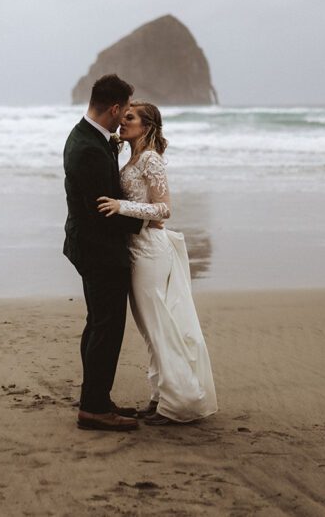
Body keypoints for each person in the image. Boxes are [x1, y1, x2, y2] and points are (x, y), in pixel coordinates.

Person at [97, 102, 218, 425]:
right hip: (136, 246)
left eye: (130, 118)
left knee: (158, 325)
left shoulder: (150, 159)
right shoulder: (132, 158)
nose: (123, 122)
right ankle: (160, 395)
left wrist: (120, 206)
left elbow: (164, 209)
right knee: (151, 329)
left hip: (149, 250)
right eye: (123, 118)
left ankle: (180, 400)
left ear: (147, 126)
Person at [62, 74, 145, 431]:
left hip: (89, 244)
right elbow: (102, 210)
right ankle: (94, 407)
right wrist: (143, 220)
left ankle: (96, 398)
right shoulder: (88, 149)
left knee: (98, 323)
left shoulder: (86, 137)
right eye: (125, 109)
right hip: (98, 249)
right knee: (107, 327)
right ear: (114, 108)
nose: (126, 115)